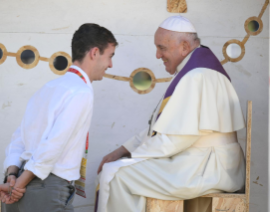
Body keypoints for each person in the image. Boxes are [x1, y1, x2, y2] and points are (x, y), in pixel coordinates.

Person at [95, 15, 245, 212]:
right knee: (118, 168)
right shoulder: (197, 71)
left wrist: (133, 156)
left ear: (183, 46)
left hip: (206, 168)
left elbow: (176, 138)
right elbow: (163, 128)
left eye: (162, 48)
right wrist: (124, 149)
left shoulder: (197, 76)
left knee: (114, 174)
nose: (158, 55)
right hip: (206, 164)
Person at [0, 23, 118, 212]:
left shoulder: (47, 88)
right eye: (110, 56)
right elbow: (54, 143)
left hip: (20, 184)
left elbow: (19, 139)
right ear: (94, 52)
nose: (110, 64)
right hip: (45, 187)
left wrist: (12, 175)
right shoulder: (80, 91)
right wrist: (20, 182)